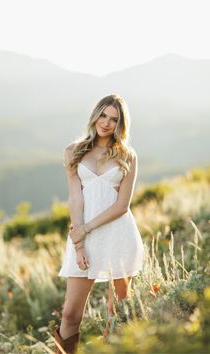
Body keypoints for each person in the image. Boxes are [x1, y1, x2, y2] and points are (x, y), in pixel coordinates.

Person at [54, 93, 145, 354]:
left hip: (119, 235)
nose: (106, 123)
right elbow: (75, 198)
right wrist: (80, 241)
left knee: (117, 316)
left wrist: (86, 228)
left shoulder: (128, 155)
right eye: (103, 115)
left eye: (114, 119)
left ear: (121, 125)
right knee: (70, 314)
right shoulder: (74, 151)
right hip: (83, 237)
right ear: (95, 115)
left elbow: (122, 205)